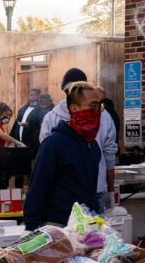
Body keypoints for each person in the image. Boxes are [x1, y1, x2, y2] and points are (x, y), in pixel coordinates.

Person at [23, 82, 102, 231]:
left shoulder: (92, 145)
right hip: (58, 227)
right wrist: (30, 227)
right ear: (74, 108)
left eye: (99, 106)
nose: (97, 111)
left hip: (86, 225)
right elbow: (37, 187)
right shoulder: (53, 144)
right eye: (92, 105)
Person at [39, 68, 118, 214]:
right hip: (92, 192)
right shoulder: (104, 115)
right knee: (93, 236)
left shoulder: (50, 118)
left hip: (64, 195)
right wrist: (111, 190)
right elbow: (109, 155)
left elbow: (44, 163)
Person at [25, 93, 54, 161]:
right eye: (42, 104)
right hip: (36, 143)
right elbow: (30, 130)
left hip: (51, 143)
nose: (44, 106)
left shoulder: (55, 112)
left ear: (50, 101)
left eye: (46, 104)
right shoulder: (34, 113)